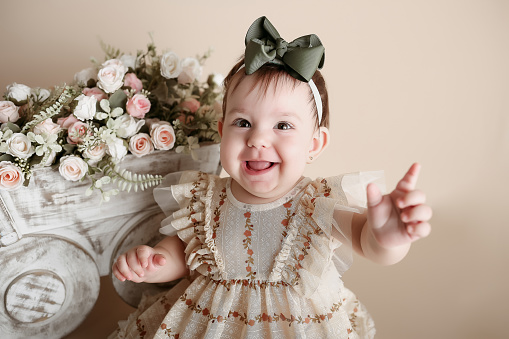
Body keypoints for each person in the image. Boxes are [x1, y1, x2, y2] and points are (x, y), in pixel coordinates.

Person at [110, 16, 432, 339]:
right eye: (243, 123)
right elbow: (185, 255)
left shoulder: (316, 204)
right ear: (222, 132)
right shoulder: (205, 200)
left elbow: (366, 240)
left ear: (314, 144)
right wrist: (156, 261)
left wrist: (387, 237)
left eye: (283, 126)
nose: (258, 140)